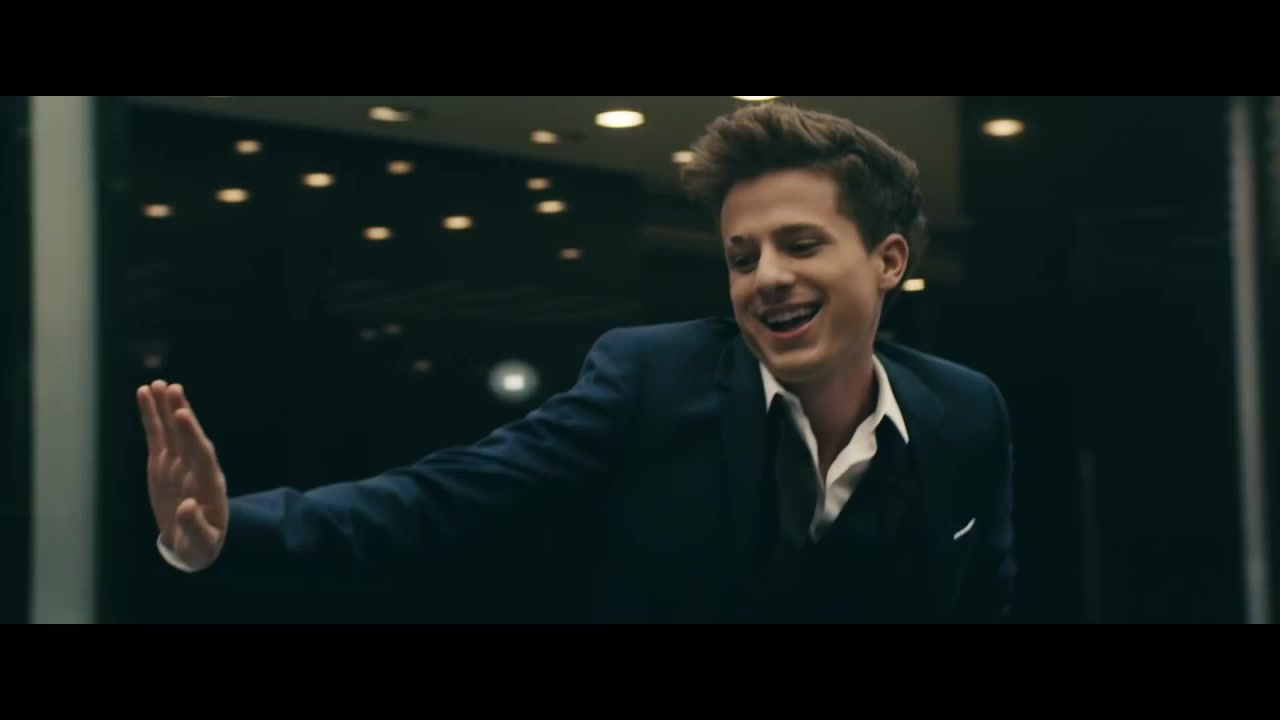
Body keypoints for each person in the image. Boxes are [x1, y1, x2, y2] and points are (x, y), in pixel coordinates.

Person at [136, 102, 1015, 623]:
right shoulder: (653, 378)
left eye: (801, 244)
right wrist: (231, 531)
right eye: (742, 256)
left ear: (888, 261)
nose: (766, 278)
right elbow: (445, 495)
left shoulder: (965, 410)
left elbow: (985, 599)